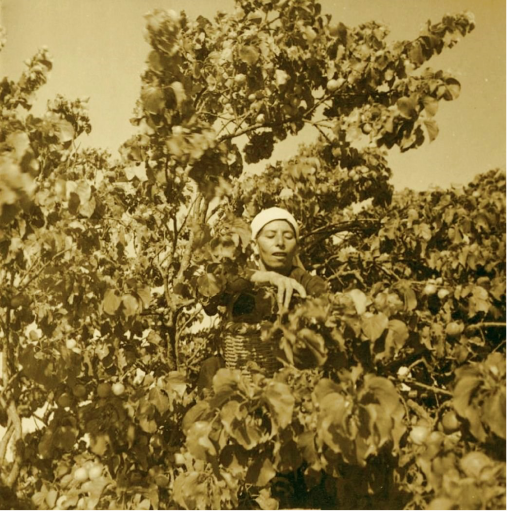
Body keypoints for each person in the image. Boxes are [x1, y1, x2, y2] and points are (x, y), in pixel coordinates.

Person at [198, 207, 327, 387]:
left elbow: (323, 293)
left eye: (288, 236)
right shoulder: (242, 270)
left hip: (286, 373)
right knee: (210, 368)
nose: (280, 242)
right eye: (270, 236)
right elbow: (215, 296)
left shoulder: (300, 278)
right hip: (240, 370)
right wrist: (267, 277)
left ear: (296, 246)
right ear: (256, 243)